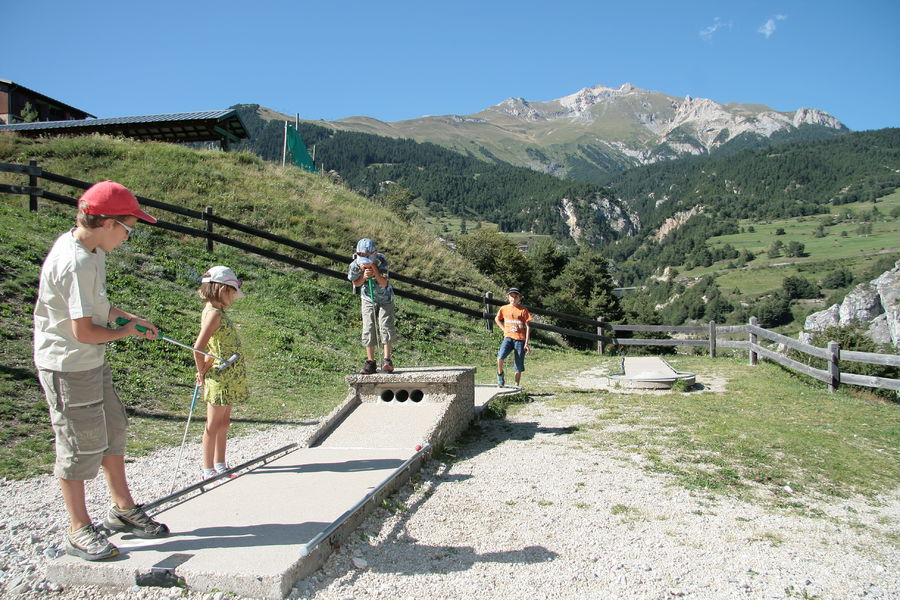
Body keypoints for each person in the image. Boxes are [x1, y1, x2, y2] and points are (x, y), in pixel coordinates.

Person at [33, 180, 169, 561]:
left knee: (113, 429)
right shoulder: (74, 261)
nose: (129, 236)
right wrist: (123, 331)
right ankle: (78, 529)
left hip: (91, 359)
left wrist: (124, 316)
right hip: (68, 365)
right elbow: (82, 331)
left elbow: (95, 306)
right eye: (128, 228)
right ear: (108, 223)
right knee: (78, 446)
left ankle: (122, 510)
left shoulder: (90, 249)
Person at [193, 265, 248, 480]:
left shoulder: (217, 312)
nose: (233, 299)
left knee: (224, 422)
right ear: (221, 290)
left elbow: (212, 349)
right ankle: (208, 469)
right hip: (221, 376)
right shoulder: (214, 314)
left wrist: (205, 365)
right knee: (213, 423)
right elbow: (198, 347)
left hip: (228, 375)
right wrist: (202, 371)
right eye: (232, 294)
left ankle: (221, 464)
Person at [348, 238, 396, 374]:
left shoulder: (381, 260)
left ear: (375, 254)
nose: (366, 264)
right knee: (369, 327)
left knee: (385, 325)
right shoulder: (355, 265)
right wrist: (363, 276)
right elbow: (356, 284)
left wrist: (374, 270)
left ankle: (387, 360)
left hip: (385, 297)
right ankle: (370, 362)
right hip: (368, 298)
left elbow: (383, 283)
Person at [495, 287, 533, 387]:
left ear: (520, 298)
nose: (513, 298)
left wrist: (526, 343)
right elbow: (497, 319)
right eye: (511, 296)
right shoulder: (504, 308)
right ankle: (500, 375)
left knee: (518, 365)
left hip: (520, 340)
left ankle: (516, 385)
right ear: (508, 297)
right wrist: (504, 329)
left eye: (516, 296)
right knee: (500, 357)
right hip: (508, 338)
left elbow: (528, 326)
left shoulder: (523, 310)